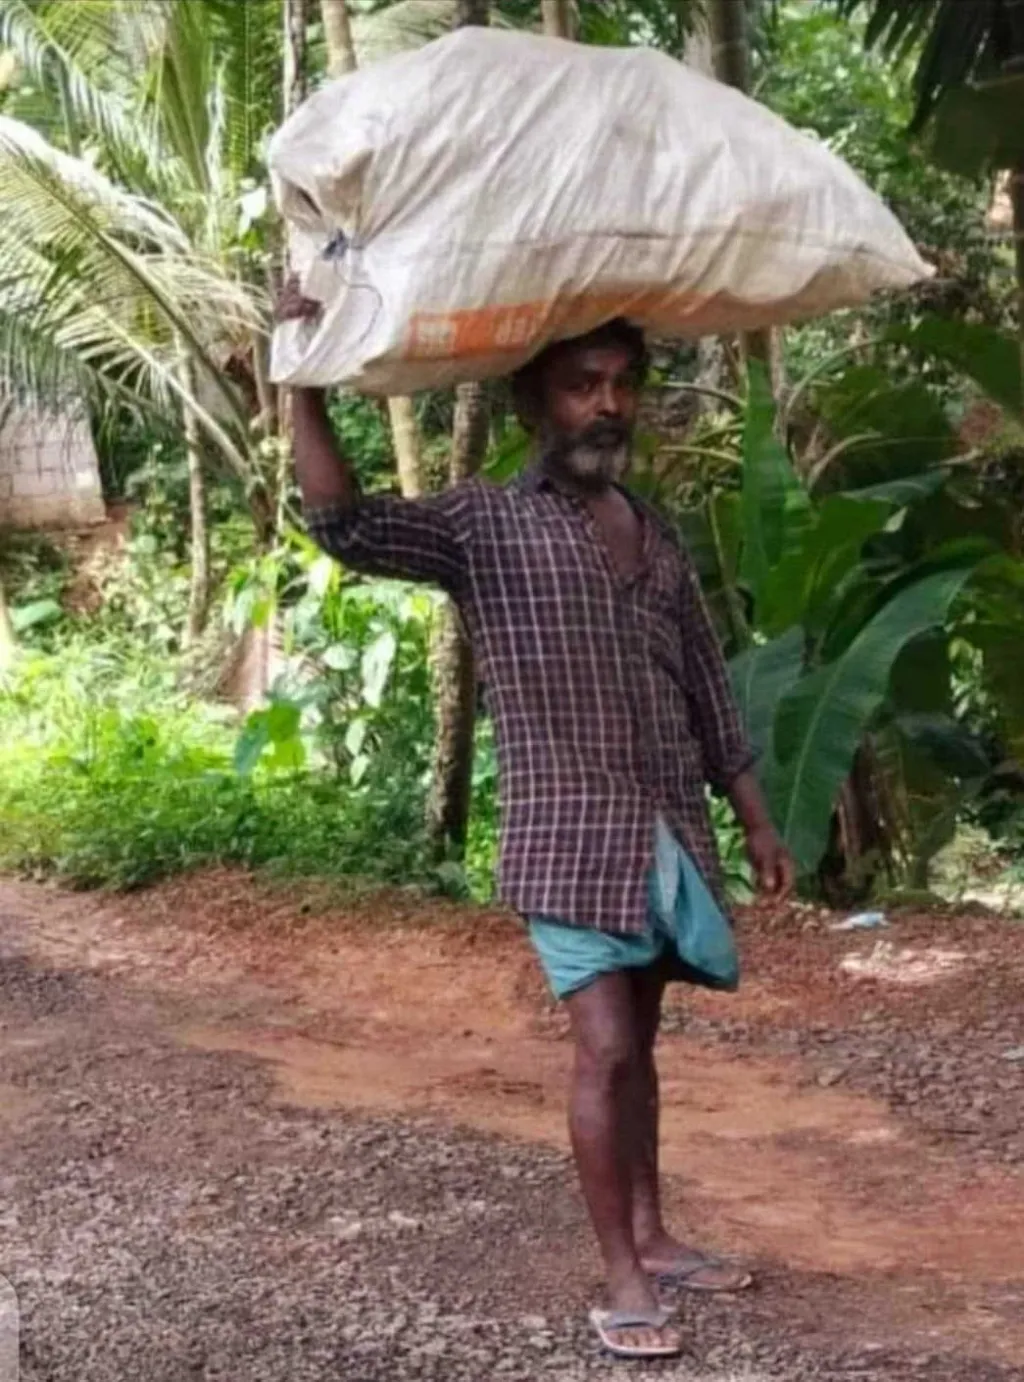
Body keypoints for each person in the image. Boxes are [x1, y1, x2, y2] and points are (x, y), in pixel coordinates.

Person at [280, 283, 795, 1360]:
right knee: (603, 1048)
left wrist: (754, 818)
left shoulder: (650, 533)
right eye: (580, 386)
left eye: (619, 385)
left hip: (664, 832)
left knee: (640, 1048)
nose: (605, 405)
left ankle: (652, 1236)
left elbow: (705, 681)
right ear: (533, 402)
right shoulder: (484, 523)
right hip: (567, 840)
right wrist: (304, 387)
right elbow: (344, 524)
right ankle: (618, 1272)